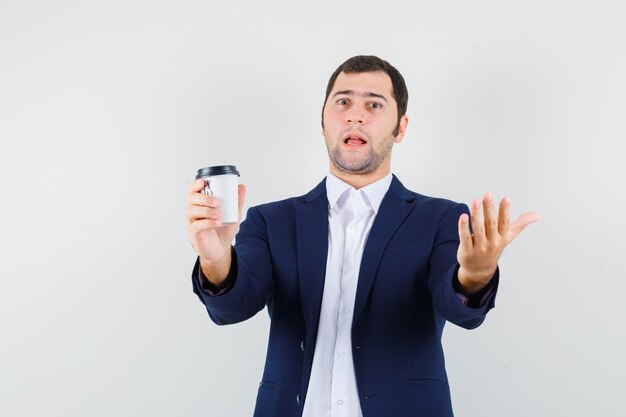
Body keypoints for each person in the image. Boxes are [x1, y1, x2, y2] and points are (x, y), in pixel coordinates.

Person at [185, 55, 540, 417]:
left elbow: (461, 313)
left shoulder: (443, 218)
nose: (355, 115)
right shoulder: (270, 221)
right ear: (323, 121)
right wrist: (215, 259)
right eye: (343, 102)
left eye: (374, 104)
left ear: (400, 128)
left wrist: (476, 274)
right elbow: (233, 308)